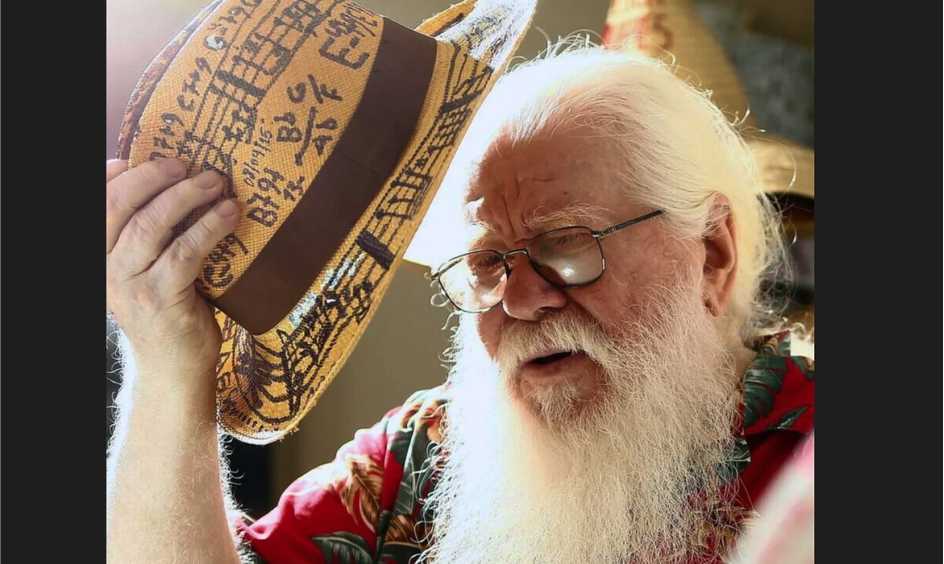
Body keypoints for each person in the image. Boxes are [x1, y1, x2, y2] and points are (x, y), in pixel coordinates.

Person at [106, 44, 814, 564]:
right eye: (486, 263)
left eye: (567, 245)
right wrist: (168, 362)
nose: (521, 299)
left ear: (711, 253)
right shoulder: (426, 452)